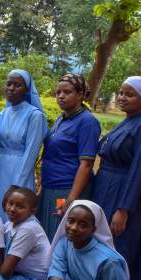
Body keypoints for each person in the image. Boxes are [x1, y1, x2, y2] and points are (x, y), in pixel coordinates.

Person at [92, 76, 141, 280]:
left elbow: (138, 172)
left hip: (125, 194)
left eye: (129, 94)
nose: (123, 98)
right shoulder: (128, 121)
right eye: (121, 93)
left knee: (120, 245)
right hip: (105, 187)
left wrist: (123, 210)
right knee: (100, 240)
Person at [37, 73, 101, 240]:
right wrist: (42, 188)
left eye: (67, 92)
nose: (61, 96)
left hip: (66, 189)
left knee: (60, 236)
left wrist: (71, 198)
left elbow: (86, 164)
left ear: (80, 94)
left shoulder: (87, 122)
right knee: (46, 235)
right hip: (50, 186)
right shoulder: (62, 118)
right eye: (58, 92)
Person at [0, 69, 47, 221]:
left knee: (11, 213)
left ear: (26, 90)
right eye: (9, 84)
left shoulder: (35, 116)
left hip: (17, 171)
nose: (11, 88)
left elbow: (31, 153)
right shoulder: (3, 113)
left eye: (17, 85)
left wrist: (17, 185)